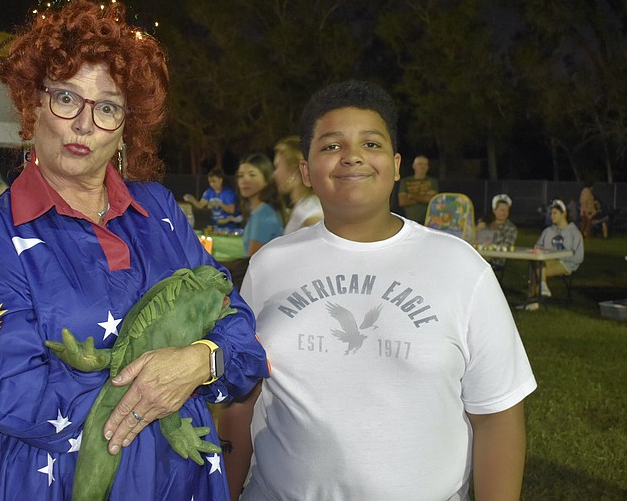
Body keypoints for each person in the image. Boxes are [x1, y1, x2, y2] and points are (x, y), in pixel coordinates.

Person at [0, 0, 268, 501]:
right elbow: (12, 392)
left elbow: (241, 338)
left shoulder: (158, 209)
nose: (84, 123)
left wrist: (201, 362)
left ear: (126, 129)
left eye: (107, 107)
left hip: (177, 478)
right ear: (32, 106)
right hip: (45, 481)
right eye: (66, 98)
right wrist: (165, 388)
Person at [221, 80, 536, 500]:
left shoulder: (460, 267)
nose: (352, 156)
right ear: (305, 171)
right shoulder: (269, 266)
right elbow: (242, 397)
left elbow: (497, 414)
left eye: (371, 144)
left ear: (397, 164)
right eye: (331, 146)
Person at [526, 199, 585, 310]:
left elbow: (578, 256)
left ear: (564, 214)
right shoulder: (548, 231)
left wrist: (558, 257)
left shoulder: (574, 233)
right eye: (551, 213)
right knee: (537, 264)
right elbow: (537, 247)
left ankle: (533, 299)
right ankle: (541, 288)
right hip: (546, 261)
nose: (551, 216)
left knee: (536, 269)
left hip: (566, 263)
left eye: (554, 213)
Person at [272, 135, 323, 234]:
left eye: (277, 167)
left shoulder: (307, 209)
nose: (274, 174)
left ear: (295, 172)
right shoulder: (305, 205)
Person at [236, 153, 283, 257]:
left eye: (252, 175)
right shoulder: (258, 211)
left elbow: (252, 260)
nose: (245, 180)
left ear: (267, 180)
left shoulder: (264, 214)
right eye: (240, 176)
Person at [475, 193, 518, 270]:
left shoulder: (511, 228)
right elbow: (470, 239)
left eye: (507, 211)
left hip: (495, 260)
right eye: (502, 210)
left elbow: (506, 247)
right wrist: (476, 229)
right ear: (494, 210)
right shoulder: (483, 223)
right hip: (477, 257)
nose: (505, 213)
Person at [397, 154, 438, 224]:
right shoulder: (405, 181)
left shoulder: (432, 181)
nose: (423, 166)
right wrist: (423, 198)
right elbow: (402, 201)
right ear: (414, 166)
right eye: (420, 164)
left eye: (425, 164)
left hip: (428, 221)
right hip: (410, 221)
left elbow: (431, 200)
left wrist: (411, 196)